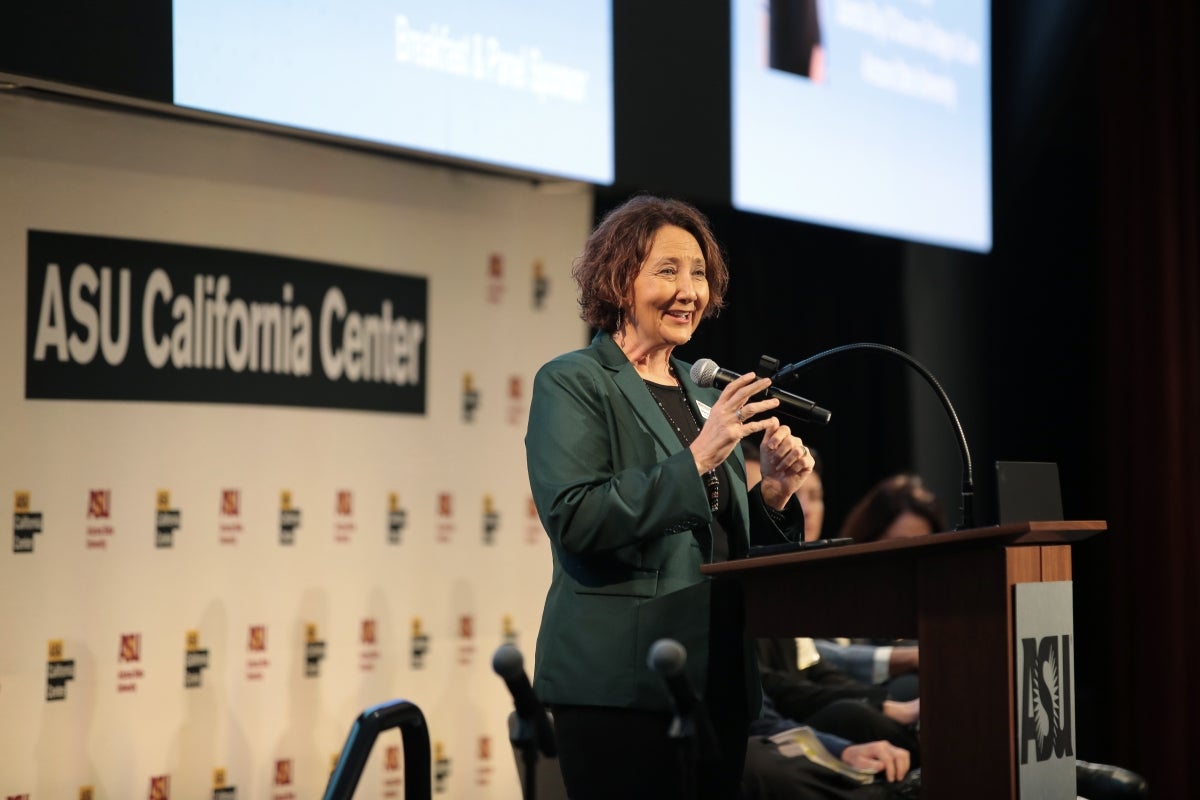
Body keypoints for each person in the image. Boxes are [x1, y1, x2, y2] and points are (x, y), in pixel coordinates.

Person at [525, 194, 816, 799]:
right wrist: (700, 457)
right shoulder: (573, 382)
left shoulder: (702, 392)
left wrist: (774, 497)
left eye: (700, 273)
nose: (689, 290)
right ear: (618, 280)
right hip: (622, 683)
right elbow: (576, 518)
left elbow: (722, 538)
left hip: (719, 682)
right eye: (668, 270)